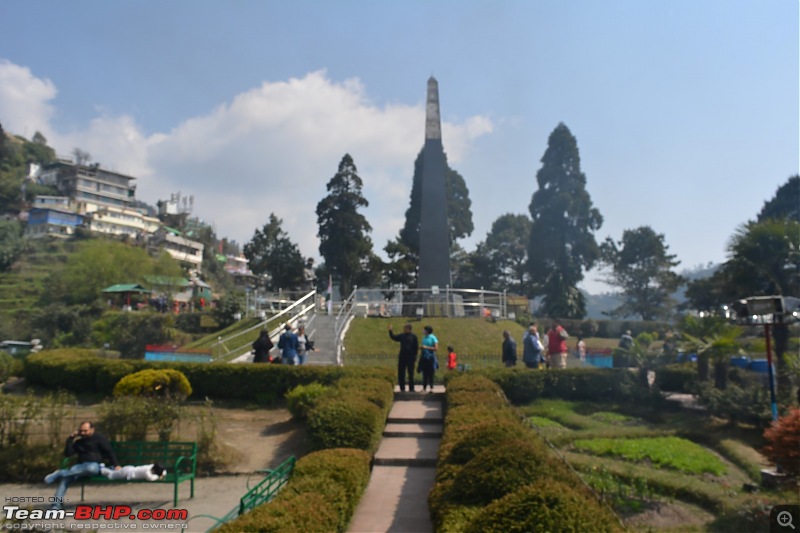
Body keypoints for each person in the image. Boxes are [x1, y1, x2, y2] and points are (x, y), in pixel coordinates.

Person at [44, 421, 119, 509]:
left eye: (85, 431)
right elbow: (68, 454)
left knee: (91, 468)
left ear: (92, 430)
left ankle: (60, 473)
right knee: (66, 478)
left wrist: (116, 465)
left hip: (94, 465)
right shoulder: (79, 442)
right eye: (81, 431)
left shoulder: (99, 438)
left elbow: (109, 451)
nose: (83, 433)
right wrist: (70, 439)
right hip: (79, 467)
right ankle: (56, 505)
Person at [389, 323, 419, 392]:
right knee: (401, 372)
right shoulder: (402, 336)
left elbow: (416, 347)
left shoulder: (414, 337)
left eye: (405, 328)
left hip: (410, 357)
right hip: (402, 357)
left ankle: (411, 388)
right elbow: (394, 337)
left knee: (411, 373)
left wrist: (415, 356)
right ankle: (402, 388)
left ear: (409, 329)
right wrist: (390, 331)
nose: (404, 329)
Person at [418, 325, 438, 392]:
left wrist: (426, 347)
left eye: (424, 330)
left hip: (431, 358)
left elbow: (436, 348)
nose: (423, 331)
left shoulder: (433, 338)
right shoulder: (424, 338)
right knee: (424, 373)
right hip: (424, 357)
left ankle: (431, 387)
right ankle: (424, 387)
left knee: (431, 373)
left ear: (427, 331)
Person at [101, 463, 166, 481]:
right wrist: (159, 477)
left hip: (129, 469)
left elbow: (164, 471)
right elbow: (150, 478)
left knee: (113, 473)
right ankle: (101, 468)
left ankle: (106, 468)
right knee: (111, 476)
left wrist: (161, 474)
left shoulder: (152, 466)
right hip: (126, 473)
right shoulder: (147, 472)